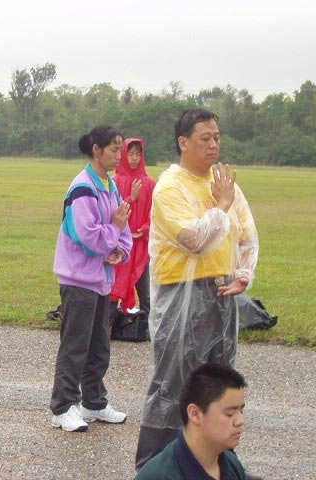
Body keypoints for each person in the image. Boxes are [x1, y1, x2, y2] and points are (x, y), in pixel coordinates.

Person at [135, 109, 259, 469]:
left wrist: (243, 273)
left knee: (219, 382)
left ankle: (217, 462)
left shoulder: (224, 184)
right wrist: (221, 205)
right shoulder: (171, 187)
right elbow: (196, 240)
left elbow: (247, 236)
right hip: (182, 297)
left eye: (217, 137)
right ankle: (157, 465)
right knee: (175, 381)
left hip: (222, 295)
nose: (214, 144)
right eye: (205, 138)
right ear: (184, 142)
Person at [50, 125, 133, 432]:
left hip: (101, 279)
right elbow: (88, 236)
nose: (119, 155)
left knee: (99, 345)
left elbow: (123, 225)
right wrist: (113, 235)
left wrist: (120, 251)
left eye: (120, 149)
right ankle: (63, 407)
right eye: (114, 149)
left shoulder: (110, 186)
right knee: (75, 346)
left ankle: (94, 402)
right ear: (96, 150)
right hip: (79, 279)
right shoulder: (83, 188)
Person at [134, 363, 249, 480]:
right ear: (195, 414)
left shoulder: (231, 463)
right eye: (230, 413)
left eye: (241, 411)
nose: (240, 421)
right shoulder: (158, 476)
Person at [111, 138, 156, 316]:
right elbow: (112, 211)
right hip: (121, 243)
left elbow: (155, 213)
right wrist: (131, 197)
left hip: (141, 245)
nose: (134, 158)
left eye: (138, 154)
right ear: (124, 155)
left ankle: (146, 326)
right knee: (116, 287)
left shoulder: (150, 183)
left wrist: (144, 229)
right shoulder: (115, 181)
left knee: (145, 291)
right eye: (130, 154)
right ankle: (109, 325)